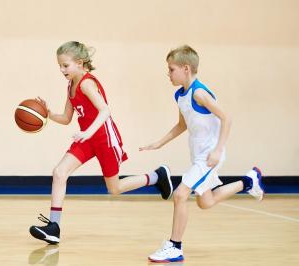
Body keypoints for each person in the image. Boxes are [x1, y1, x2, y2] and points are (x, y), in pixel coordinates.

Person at [29, 41, 174, 245]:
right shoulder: (70, 85)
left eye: (65, 65)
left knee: (114, 189)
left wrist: (88, 132)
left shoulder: (87, 84)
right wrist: (47, 113)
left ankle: (156, 176)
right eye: (59, 66)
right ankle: (54, 227)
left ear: (79, 63)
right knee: (59, 172)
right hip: (86, 139)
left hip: (105, 139)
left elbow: (105, 110)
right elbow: (66, 118)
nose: (62, 70)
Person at [140, 45, 264, 263]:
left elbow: (227, 118)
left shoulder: (199, 92)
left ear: (186, 68)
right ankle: (248, 181)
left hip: (209, 156)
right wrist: (158, 143)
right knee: (205, 202)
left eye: (171, 69)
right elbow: (181, 125)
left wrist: (217, 150)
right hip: (198, 156)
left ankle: (174, 247)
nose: (168, 74)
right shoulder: (180, 95)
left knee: (180, 194)